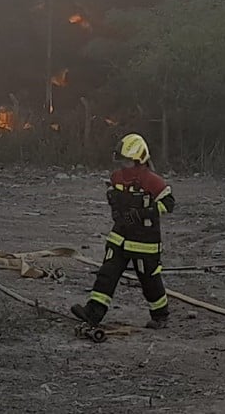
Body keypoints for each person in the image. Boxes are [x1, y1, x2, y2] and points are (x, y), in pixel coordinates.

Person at [71, 133, 176, 329]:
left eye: (128, 161)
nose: (124, 166)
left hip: (145, 242)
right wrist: (112, 197)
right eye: (122, 161)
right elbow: (115, 193)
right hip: (120, 236)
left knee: (150, 281)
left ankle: (161, 315)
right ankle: (93, 313)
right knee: (107, 274)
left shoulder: (152, 181)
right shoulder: (117, 177)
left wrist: (144, 213)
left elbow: (168, 204)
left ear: (139, 160)